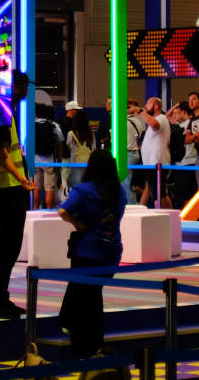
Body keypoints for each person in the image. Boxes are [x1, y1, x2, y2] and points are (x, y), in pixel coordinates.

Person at [57, 149, 126, 357]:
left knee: (84, 303)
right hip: (111, 252)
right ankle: (93, 346)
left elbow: (62, 211)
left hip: (88, 252)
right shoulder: (119, 191)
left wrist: (80, 225)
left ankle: (82, 349)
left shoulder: (83, 190)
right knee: (92, 299)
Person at [0, 71, 36, 319]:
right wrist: (21, 177)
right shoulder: (0, 111)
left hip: (7, 188)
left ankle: (1, 300)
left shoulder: (3, 109)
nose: (25, 91)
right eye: (22, 86)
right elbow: (2, 153)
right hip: (6, 188)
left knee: (7, 247)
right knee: (6, 248)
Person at [138, 97, 171, 207]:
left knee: (158, 195)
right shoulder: (159, 119)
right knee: (160, 194)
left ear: (156, 106)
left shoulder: (161, 118)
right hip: (152, 164)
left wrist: (139, 111)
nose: (145, 106)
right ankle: (171, 219)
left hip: (157, 164)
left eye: (148, 104)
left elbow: (155, 125)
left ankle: (163, 218)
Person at [33, 102, 64, 209]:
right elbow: (60, 145)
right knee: (49, 189)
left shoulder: (31, 126)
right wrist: (59, 161)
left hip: (35, 162)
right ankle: (49, 210)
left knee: (36, 188)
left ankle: (35, 210)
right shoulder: (54, 127)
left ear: (36, 114)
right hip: (50, 162)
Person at [64, 101, 93, 191]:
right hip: (88, 162)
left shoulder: (71, 134)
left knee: (76, 186)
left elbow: (69, 146)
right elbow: (93, 147)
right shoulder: (91, 134)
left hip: (75, 161)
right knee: (86, 184)